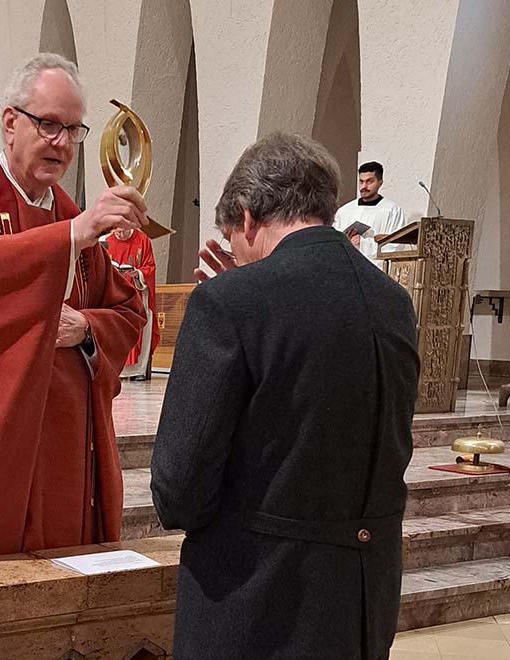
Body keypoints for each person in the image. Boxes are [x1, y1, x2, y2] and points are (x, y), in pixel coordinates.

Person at [151, 133, 419, 660]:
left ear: (247, 216)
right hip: (360, 601)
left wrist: (238, 296)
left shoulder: (227, 304)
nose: (239, 256)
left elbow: (179, 487)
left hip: (258, 601)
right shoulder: (393, 302)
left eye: (234, 240)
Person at [0, 53, 148, 563]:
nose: (61, 142)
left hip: (62, 446)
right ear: (11, 123)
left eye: (73, 130)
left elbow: (127, 312)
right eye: (49, 124)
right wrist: (69, 239)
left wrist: (86, 329)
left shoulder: (69, 215)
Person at [103, 227, 159, 379]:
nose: (121, 235)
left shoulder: (143, 240)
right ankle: (116, 369)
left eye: (124, 231)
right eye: (118, 231)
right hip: (115, 295)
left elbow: (150, 267)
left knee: (138, 327)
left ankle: (137, 371)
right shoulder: (107, 242)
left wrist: (138, 273)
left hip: (137, 293)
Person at [335, 161, 407, 263]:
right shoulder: (344, 211)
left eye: (369, 181)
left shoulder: (392, 211)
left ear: (380, 183)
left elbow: (396, 246)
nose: (363, 186)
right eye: (361, 181)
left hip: (376, 271)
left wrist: (364, 244)